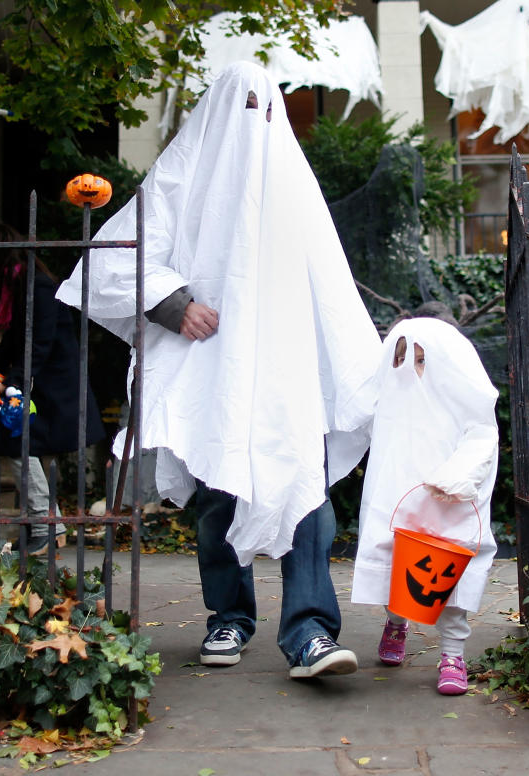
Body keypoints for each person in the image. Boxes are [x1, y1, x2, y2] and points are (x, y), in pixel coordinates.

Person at [56, 61, 382, 679]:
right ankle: (229, 617)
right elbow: (117, 256)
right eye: (244, 107)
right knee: (217, 492)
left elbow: (329, 288)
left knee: (304, 490)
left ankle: (311, 632)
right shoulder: (184, 177)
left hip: (286, 368)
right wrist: (174, 304)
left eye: (266, 109)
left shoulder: (292, 188)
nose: (254, 123)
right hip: (213, 365)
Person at [351, 317, 499, 695]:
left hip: (448, 501)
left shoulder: (459, 400)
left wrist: (456, 477)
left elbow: (482, 436)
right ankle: (396, 623)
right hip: (400, 501)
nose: (412, 371)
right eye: (403, 360)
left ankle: (452, 653)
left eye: (422, 361)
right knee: (396, 569)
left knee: (449, 573)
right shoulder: (393, 403)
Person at [0, 223, 105, 556]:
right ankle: (49, 526)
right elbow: (13, 340)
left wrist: (7, 383)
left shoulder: (39, 287)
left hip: (53, 386)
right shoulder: (23, 286)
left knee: (17, 444)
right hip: (39, 383)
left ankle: (45, 526)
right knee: (18, 444)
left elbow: (38, 344)